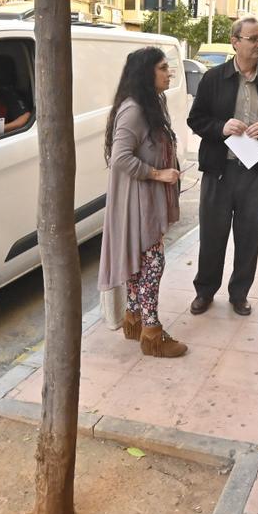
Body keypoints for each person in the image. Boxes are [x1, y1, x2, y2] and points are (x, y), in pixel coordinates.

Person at [187, 17, 258, 316]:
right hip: (219, 171)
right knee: (212, 235)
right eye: (253, 39)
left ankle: (239, 294)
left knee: (249, 235)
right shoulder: (213, 79)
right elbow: (195, 120)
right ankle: (205, 291)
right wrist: (221, 127)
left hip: (254, 172)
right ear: (236, 42)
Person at [98, 47, 187, 358]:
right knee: (152, 264)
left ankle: (133, 319)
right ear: (146, 73)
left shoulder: (151, 103)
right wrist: (158, 173)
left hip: (144, 199)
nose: (169, 72)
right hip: (138, 202)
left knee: (143, 263)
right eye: (163, 68)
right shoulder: (134, 109)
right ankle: (152, 332)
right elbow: (120, 157)